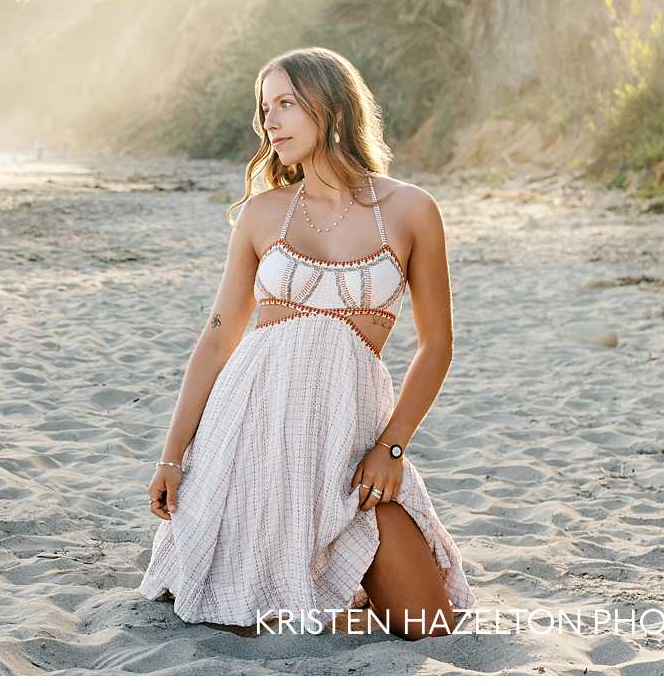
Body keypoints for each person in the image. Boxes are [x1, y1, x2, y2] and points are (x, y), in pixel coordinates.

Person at [137, 46, 476, 639]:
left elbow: (436, 344)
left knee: (431, 624)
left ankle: (343, 586)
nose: (271, 121)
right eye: (266, 108)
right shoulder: (261, 213)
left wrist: (392, 447)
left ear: (334, 108)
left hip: (352, 442)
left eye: (287, 104)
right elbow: (218, 338)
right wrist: (172, 457)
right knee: (253, 617)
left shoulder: (411, 209)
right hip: (251, 437)